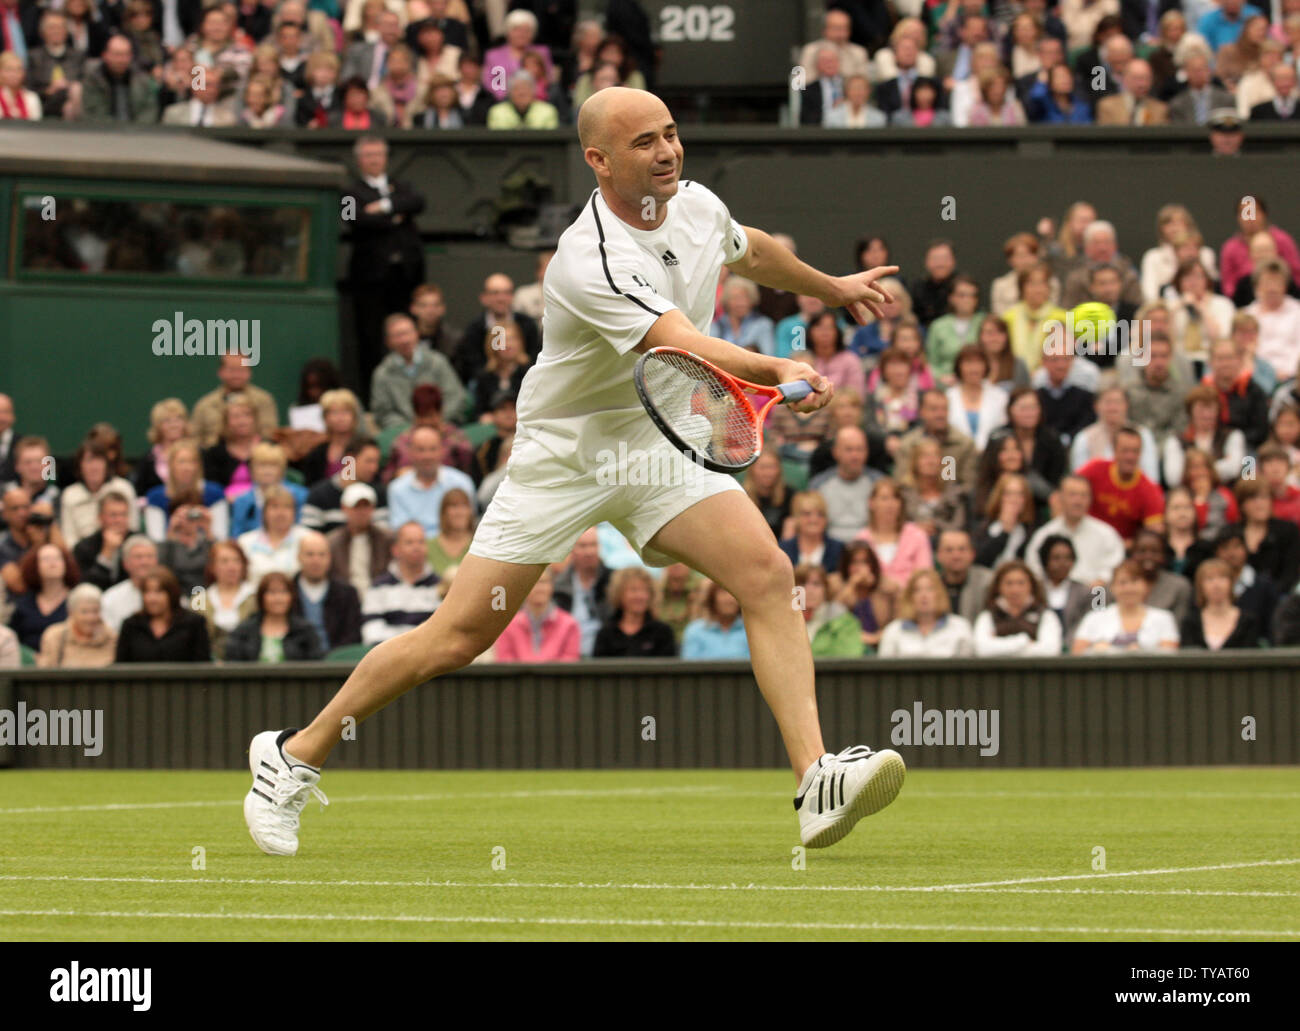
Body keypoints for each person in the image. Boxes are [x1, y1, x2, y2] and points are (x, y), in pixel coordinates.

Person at [244, 86, 906, 858]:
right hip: (566, 454)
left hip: (657, 439)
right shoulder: (588, 260)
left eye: (670, 133)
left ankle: (815, 779)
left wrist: (832, 287)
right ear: (598, 161)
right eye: (644, 143)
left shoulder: (694, 204)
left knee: (767, 573)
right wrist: (777, 366)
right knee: (457, 636)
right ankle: (292, 754)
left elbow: (748, 249)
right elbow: (680, 341)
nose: (667, 151)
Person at [345, 135, 427, 397]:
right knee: (371, 339)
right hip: (370, 281)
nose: (374, 160)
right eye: (369, 155)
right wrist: (396, 218)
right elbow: (353, 218)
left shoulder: (402, 185)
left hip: (406, 276)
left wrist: (382, 206)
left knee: (408, 333)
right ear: (359, 160)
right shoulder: (349, 192)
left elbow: (418, 201)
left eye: (378, 154)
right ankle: (373, 396)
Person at [1026, 474, 1126, 586]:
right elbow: (1034, 570)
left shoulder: (1106, 534)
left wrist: (1100, 583)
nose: (1078, 501)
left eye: (1083, 495)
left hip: (1096, 593)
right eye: (1072, 494)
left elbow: (1116, 566)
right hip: (1055, 593)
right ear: (1060, 497)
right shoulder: (1044, 535)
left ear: (1090, 499)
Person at [1071, 558, 1179, 652]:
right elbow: (1077, 652)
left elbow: (1169, 653)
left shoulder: (1164, 618)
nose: (1128, 588)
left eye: (1134, 581)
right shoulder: (1094, 618)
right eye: (1122, 582)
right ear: (1112, 587)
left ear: (1146, 585)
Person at [360, 521, 440, 644]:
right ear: (395, 550)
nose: (416, 547)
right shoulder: (378, 587)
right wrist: (406, 646)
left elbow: (443, 632)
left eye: (421, 542)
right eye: (409, 542)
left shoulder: (440, 587)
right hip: (388, 653)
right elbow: (371, 632)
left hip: (429, 653)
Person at [114, 567, 212, 662]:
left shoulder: (194, 624)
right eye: (147, 591)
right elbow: (121, 665)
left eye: (158, 591)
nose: (152, 598)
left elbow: (203, 665)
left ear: (171, 594)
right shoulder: (131, 625)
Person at [225, 571, 325, 662]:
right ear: (261, 597)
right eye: (272, 592)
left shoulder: (305, 631)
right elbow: (233, 662)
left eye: (284, 592)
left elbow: (316, 663)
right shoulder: (244, 631)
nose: (278, 598)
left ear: (291, 596)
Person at [972, 560, 1063, 656]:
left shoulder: (1046, 615)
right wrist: (1024, 641)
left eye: (1021, 583)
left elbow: (1050, 650)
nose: (1015, 590)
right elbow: (981, 649)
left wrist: (998, 646)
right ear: (998, 587)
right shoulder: (987, 616)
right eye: (1009, 583)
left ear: (1031, 586)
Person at [854, 478, 933, 589]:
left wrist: (897, 588)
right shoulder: (861, 539)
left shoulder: (917, 535)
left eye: (895, 498)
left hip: (910, 596)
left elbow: (925, 575)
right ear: (871, 503)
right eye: (884, 498)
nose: (890, 504)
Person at [878, 567, 974, 657]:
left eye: (930, 589)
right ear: (910, 596)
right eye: (917, 590)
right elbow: (884, 666)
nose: (923, 595)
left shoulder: (960, 627)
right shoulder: (894, 630)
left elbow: (968, 666)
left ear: (940, 593)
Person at [191, 353, 279, 449]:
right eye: (231, 370)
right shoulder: (205, 405)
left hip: (255, 455)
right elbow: (195, 440)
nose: (236, 375)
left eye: (241, 370)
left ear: (249, 372)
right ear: (220, 372)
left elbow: (270, 436)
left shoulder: (264, 401)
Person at [293, 530, 362, 654]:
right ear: (299, 557)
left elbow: (353, 636)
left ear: (330, 558)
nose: (316, 560)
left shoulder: (347, 594)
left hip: (337, 661)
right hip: (296, 662)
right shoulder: (287, 592)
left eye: (322, 554)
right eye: (310, 554)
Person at [808, 427, 880, 542]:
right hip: (829, 545)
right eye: (849, 450)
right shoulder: (819, 485)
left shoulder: (878, 484)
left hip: (869, 545)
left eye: (860, 449)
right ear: (835, 452)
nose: (855, 456)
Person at [592, 566, 677, 658]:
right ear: (619, 594)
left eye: (645, 590)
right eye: (633, 590)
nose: (640, 596)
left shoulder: (663, 632)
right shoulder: (606, 633)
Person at [1180, 557, 1259, 649]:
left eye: (1222, 578)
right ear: (1200, 586)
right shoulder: (1190, 622)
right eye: (1209, 579)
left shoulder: (1249, 621)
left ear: (1231, 583)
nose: (1216, 585)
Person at [9, 543, 76, 650]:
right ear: (35, 566)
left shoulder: (77, 600)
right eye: (46, 559)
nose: (52, 563)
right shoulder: (24, 603)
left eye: (57, 558)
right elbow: (13, 639)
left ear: (66, 564)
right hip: (29, 658)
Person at [1237, 478, 1300, 592]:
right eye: (1252, 498)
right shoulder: (1231, 534)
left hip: (1279, 596)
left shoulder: (1288, 531)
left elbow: (1290, 573)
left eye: (1264, 497)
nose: (1259, 503)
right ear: (1242, 504)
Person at [793, 563, 866, 657]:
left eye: (816, 584)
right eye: (802, 584)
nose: (809, 590)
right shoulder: (784, 621)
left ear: (826, 589)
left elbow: (850, 657)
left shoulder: (845, 622)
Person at [36, 581, 115, 667]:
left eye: (95, 611)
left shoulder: (111, 637)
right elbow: (46, 670)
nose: (91, 618)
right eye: (85, 612)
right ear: (71, 612)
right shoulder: (55, 636)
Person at [901, 438, 967, 540]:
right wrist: (916, 527)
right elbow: (897, 525)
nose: (930, 461)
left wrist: (937, 526)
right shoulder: (903, 493)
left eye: (935, 456)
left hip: (946, 543)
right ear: (915, 462)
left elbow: (959, 525)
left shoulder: (955, 491)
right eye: (925, 456)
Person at [946, 344, 1007, 450]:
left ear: (986, 366)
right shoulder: (948, 397)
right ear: (959, 366)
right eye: (968, 362)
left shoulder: (1000, 396)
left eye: (979, 362)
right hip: (957, 456)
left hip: (991, 455)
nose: (974, 368)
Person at [1036, 533, 1092, 644]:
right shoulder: (1034, 590)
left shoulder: (1085, 591)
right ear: (1045, 560)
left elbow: (1097, 618)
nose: (1063, 563)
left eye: (1068, 558)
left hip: (1074, 646)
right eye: (1056, 558)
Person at [974, 472, 1038, 567]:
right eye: (1008, 494)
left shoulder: (1031, 530)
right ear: (999, 497)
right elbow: (980, 561)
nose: (1014, 499)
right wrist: (1005, 532)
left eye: (1020, 494)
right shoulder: (984, 528)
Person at [778, 490, 845, 576]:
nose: (814, 519)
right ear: (796, 517)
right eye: (807, 514)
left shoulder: (838, 549)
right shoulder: (783, 549)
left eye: (820, 514)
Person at [680, 581, 750, 660]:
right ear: (712, 598)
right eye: (724, 593)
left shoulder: (750, 630)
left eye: (733, 594)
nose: (729, 599)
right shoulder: (695, 630)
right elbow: (689, 665)